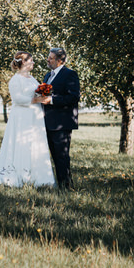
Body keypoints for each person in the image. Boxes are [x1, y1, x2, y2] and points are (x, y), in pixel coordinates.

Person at [0, 51, 56, 188]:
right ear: (23, 62)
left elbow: (35, 91)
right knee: (22, 143)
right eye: (31, 60)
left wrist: (42, 93)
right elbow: (17, 99)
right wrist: (36, 99)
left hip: (35, 116)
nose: (33, 63)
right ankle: (21, 175)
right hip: (22, 117)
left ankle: (38, 177)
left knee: (35, 143)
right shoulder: (16, 79)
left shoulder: (32, 79)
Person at [41, 47, 79, 191]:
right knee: (53, 156)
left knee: (61, 156)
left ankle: (66, 186)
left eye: (50, 58)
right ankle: (58, 184)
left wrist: (51, 100)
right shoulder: (47, 75)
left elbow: (74, 97)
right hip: (47, 122)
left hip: (62, 123)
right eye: (48, 57)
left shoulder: (70, 74)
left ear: (60, 60)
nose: (48, 60)